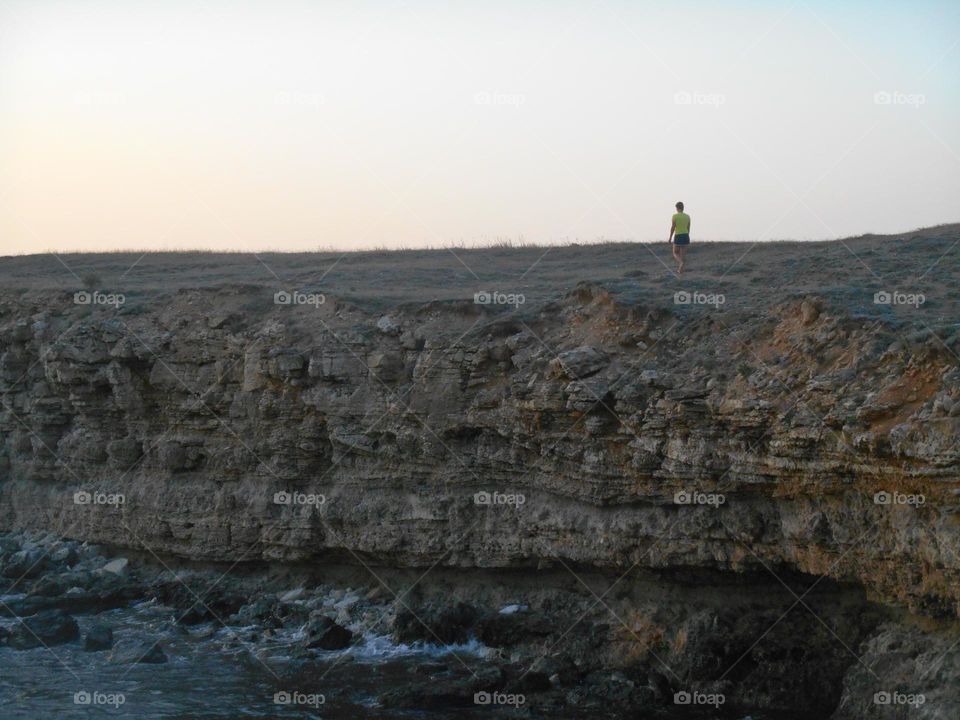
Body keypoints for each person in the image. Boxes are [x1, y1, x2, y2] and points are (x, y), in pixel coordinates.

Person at [668, 201, 691, 274]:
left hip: (678, 235)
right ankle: (681, 271)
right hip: (686, 235)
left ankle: (680, 263)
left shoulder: (675, 216)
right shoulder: (687, 216)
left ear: (677, 208)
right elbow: (688, 228)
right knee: (683, 255)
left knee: (675, 252)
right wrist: (687, 235)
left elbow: (673, 227)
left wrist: (670, 237)